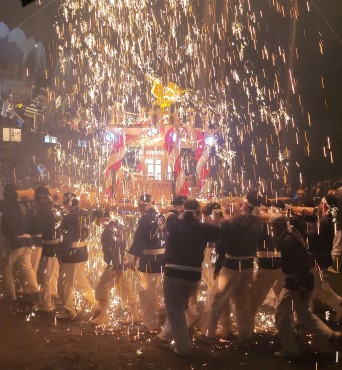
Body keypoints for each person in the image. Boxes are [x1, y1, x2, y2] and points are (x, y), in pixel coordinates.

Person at [271, 214, 342, 358]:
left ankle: (291, 349)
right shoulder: (293, 234)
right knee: (304, 314)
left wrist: (302, 286)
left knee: (281, 315)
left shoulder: (287, 241)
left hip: (296, 283)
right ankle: (332, 337)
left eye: (273, 226)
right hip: (303, 280)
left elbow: (300, 264)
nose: (272, 229)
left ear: (279, 226)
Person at [199, 197, 263, 347]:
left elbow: (218, 242)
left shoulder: (229, 225)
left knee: (215, 299)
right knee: (243, 302)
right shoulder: (256, 222)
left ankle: (208, 333)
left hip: (231, 267)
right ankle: (245, 336)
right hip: (247, 266)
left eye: (227, 211)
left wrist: (217, 268)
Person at [162, 199, 220, 355]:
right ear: (198, 213)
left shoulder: (174, 223)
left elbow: (170, 216)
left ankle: (183, 348)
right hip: (193, 277)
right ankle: (168, 333)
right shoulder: (203, 228)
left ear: (182, 210)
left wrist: (175, 211)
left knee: (175, 311)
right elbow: (217, 231)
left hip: (174, 274)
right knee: (181, 306)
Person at [91, 207, 140, 325]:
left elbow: (116, 249)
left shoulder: (108, 231)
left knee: (101, 290)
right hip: (121, 263)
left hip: (115, 266)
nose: (97, 224)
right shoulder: (117, 226)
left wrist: (118, 267)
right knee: (125, 289)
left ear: (101, 219)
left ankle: (103, 316)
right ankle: (135, 315)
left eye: (97, 221)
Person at [128, 194, 165, 332]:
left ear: (144, 205)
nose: (137, 207)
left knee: (146, 292)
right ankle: (161, 309)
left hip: (149, 260)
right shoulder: (161, 217)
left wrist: (132, 260)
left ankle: (150, 324)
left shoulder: (144, 219)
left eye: (139, 205)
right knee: (154, 289)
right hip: (161, 260)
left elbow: (139, 241)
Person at [56, 193, 96, 320]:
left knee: (64, 284)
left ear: (68, 203)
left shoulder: (69, 217)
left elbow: (67, 238)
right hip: (83, 251)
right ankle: (97, 303)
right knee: (80, 282)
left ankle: (69, 311)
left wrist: (61, 253)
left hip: (72, 254)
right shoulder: (84, 214)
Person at [1, 184, 40, 301]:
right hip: (27, 239)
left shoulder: (8, 204)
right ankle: (35, 290)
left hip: (15, 240)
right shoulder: (25, 205)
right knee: (27, 267)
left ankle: (10, 295)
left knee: (6, 267)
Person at [33, 187, 64, 313]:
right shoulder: (57, 208)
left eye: (37, 198)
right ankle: (53, 292)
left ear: (42, 198)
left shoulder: (44, 210)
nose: (35, 201)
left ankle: (45, 305)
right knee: (53, 272)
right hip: (58, 244)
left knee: (43, 275)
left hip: (49, 245)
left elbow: (35, 228)